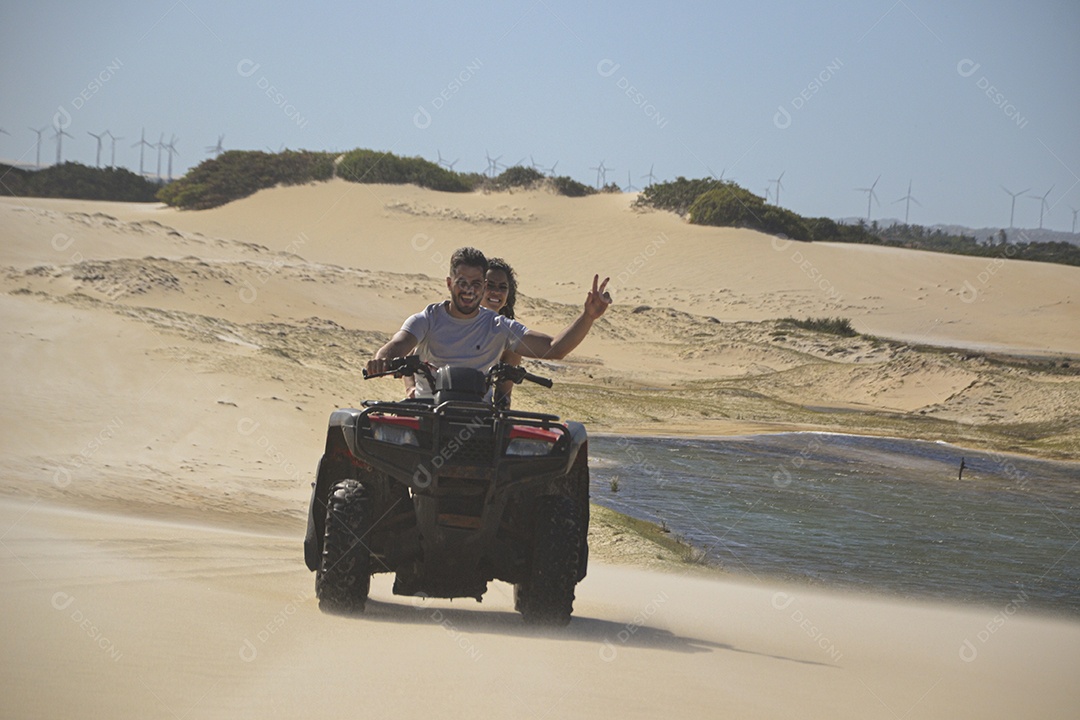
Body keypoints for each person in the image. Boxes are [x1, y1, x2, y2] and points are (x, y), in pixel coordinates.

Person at [368, 247, 610, 396]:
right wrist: (382, 359)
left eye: (476, 284)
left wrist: (587, 317)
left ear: (483, 286)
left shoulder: (499, 326)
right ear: (450, 284)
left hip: (479, 421)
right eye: (462, 282)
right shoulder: (428, 319)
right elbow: (399, 343)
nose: (469, 291)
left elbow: (553, 348)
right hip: (427, 414)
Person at [401, 255, 521, 402]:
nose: (496, 292)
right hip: (434, 404)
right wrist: (410, 388)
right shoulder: (445, 320)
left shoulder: (508, 335)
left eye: (503, 287)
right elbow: (410, 358)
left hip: (477, 410)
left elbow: (503, 394)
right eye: (490, 285)